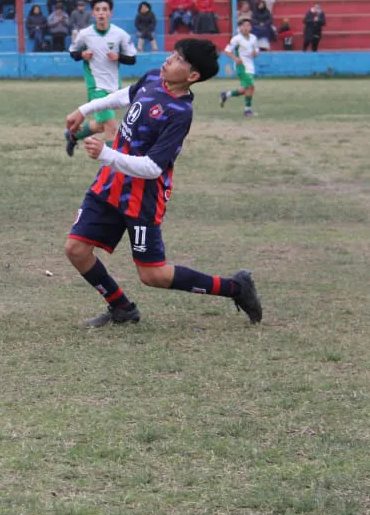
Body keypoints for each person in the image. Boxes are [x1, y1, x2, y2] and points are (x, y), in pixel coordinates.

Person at [62, 39, 264, 328]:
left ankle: (236, 287)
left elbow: (153, 168)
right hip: (110, 184)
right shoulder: (155, 77)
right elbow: (126, 96)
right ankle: (121, 308)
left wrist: (106, 153)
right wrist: (85, 109)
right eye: (173, 53)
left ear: (193, 76)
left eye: (179, 59)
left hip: (142, 196)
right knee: (76, 249)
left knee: (152, 275)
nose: (169, 60)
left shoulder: (180, 113)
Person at [65, 0, 138, 155]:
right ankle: (116, 168)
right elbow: (73, 52)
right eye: (97, 9)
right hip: (95, 87)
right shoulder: (85, 34)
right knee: (111, 126)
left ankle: (71, 135)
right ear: (93, 13)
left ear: (110, 13)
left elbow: (132, 59)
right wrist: (82, 54)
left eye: (105, 9)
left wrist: (118, 57)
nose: (101, 13)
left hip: (114, 87)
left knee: (100, 125)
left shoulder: (120, 34)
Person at [219, 18, 261, 117]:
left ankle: (226, 94)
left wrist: (256, 52)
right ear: (240, 28)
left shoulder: (253, 38)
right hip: (241, 66)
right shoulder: (237, 39)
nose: (246, 27)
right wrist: (236, 59)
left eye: (248, 25)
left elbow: (256, 48)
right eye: (244, 25)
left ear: (250, 27)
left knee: (246, 89)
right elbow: (227, 51)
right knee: (251, 87)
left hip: (250, 66)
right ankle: (247, 110)